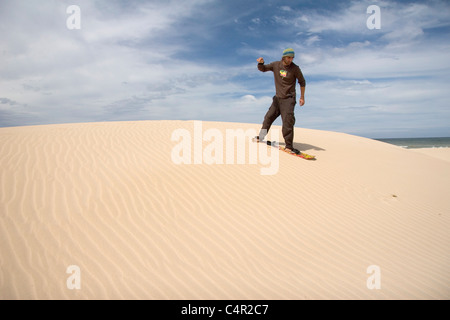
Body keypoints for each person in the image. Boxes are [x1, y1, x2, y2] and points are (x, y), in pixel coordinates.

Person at [255, 48, 306, 154]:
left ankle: (288, 146)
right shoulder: (276, 65)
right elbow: (263, 68)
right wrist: (261, 63)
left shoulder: (295, 68)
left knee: (287, 122)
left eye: (292, 57)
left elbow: (302, 82)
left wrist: (302, 97)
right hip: (277, 99)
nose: (291, 59)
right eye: (289, 57)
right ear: (284, 57)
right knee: (268, 117)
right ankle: (261, 136)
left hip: (289, 99)